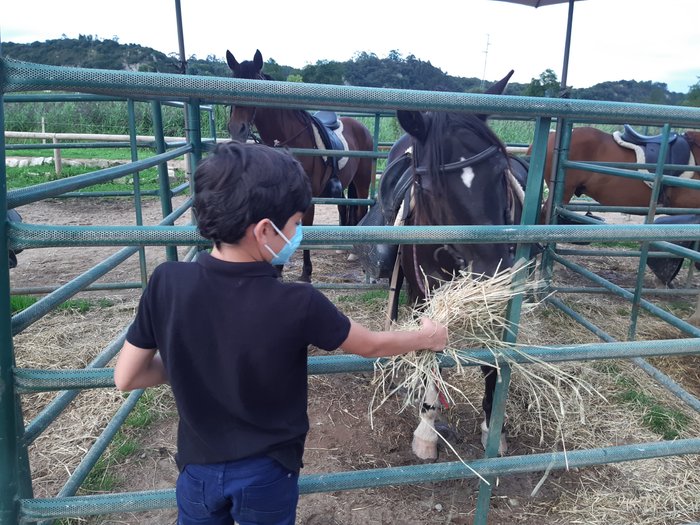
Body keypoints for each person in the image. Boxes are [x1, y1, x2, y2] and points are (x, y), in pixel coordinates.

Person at [114, 141, 448, 525]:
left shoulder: (166, 281)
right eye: (296, 224)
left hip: (197, 471)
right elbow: (370, 345)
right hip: (267, 471)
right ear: (265, 230)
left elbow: (127, 376)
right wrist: (426, 338)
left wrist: (195, 356)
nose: (299, 234)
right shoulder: (299, 302)